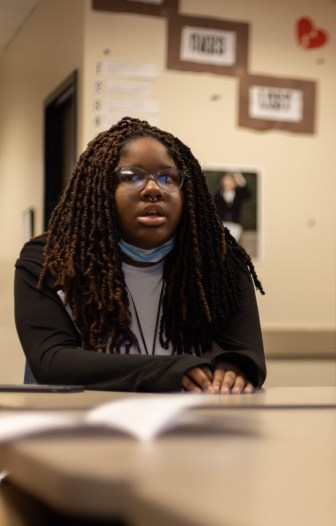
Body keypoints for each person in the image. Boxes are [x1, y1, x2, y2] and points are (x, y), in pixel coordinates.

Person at [15, 116, 266, 393]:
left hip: (188, 426)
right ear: (101, 189)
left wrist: (234, 369)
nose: (152, 190)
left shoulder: (220, 261)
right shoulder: (50, 260)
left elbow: (247, 352)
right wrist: (170, 370)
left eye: (167, 177)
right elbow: (52, 363)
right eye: (131, 177)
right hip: (78, 426)